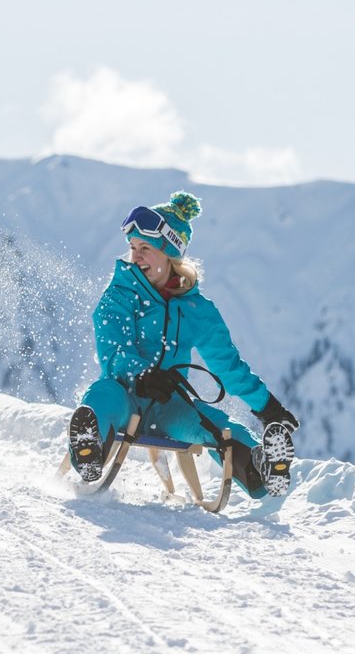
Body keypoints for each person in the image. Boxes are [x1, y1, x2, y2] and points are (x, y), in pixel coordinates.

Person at [67, 191, 299, 499]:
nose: (135, 256)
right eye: (133, 247)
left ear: (170, 254)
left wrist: (266, 406)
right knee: (103, 396)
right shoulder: (119, 295)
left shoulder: (196, 310)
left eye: (145, 248)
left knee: (214, 425)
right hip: (125, 392)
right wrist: (143, 374)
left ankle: (261, 468)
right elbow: (113, 351)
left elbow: (226, 365)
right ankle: (90, 451)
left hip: (169, 404)